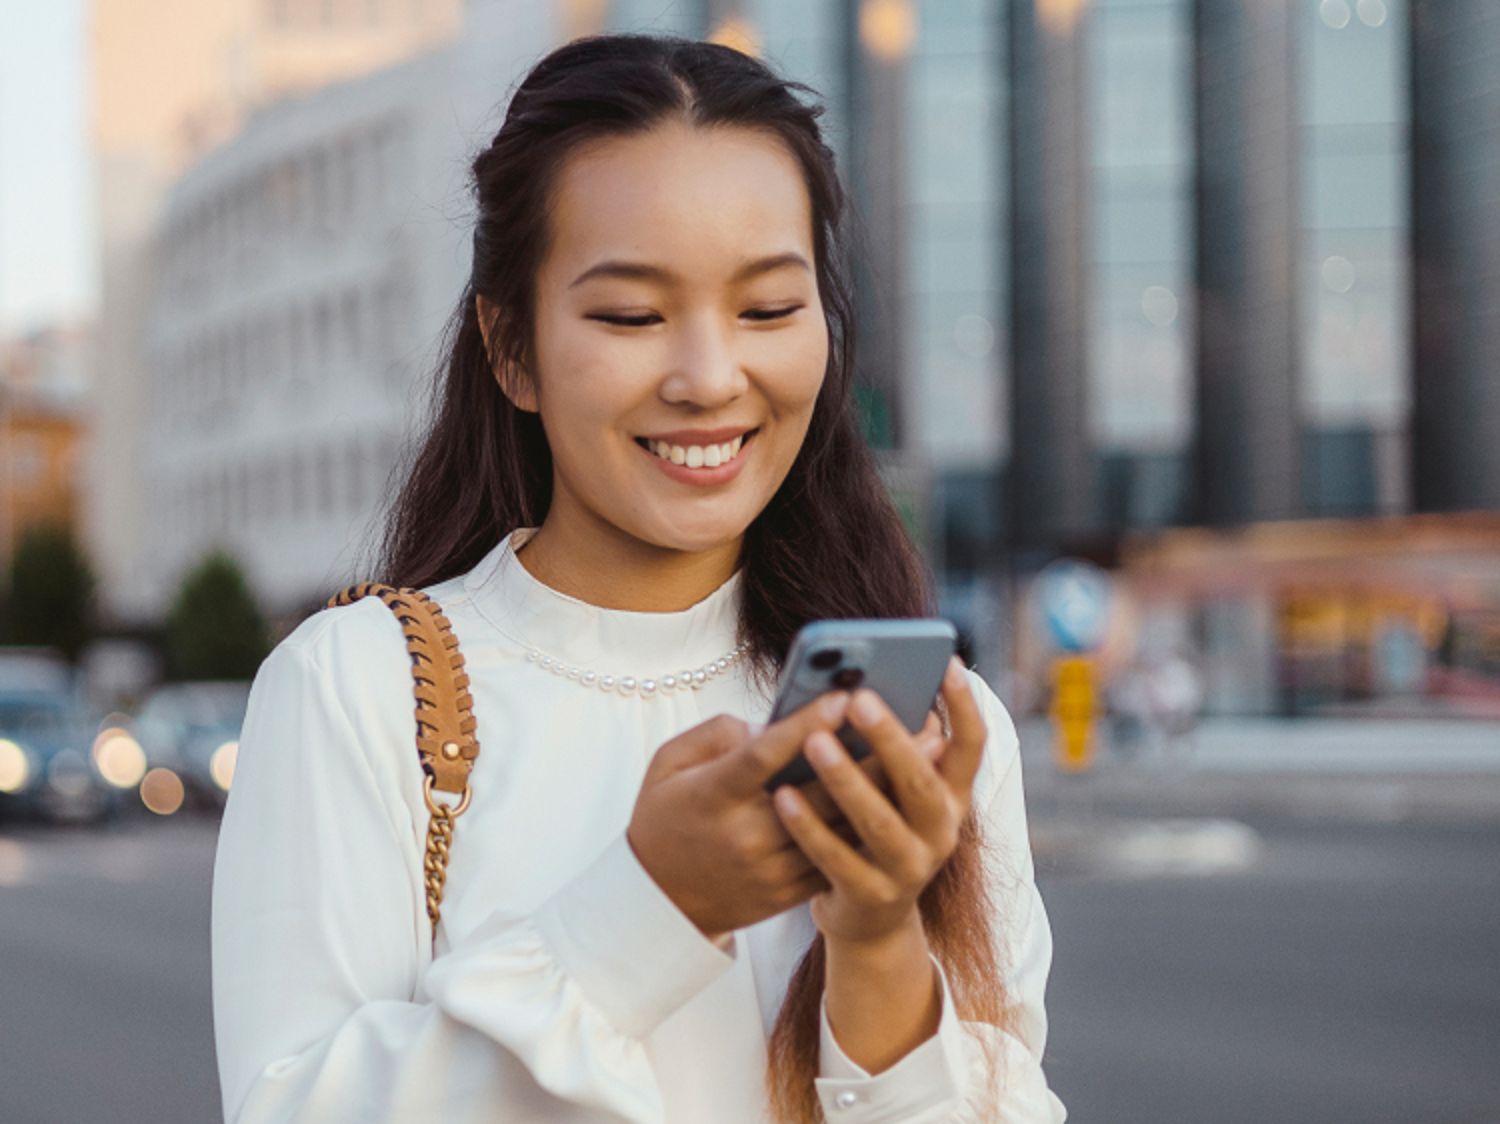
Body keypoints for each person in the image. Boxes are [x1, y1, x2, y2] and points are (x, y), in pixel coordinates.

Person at [211, 33, 1067, 1124]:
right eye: (631, 316)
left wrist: (876, 934)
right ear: (510, 347)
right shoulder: (358, 687)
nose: (710, 378)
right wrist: (653, 906)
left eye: (768, 309)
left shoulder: (927, 729)